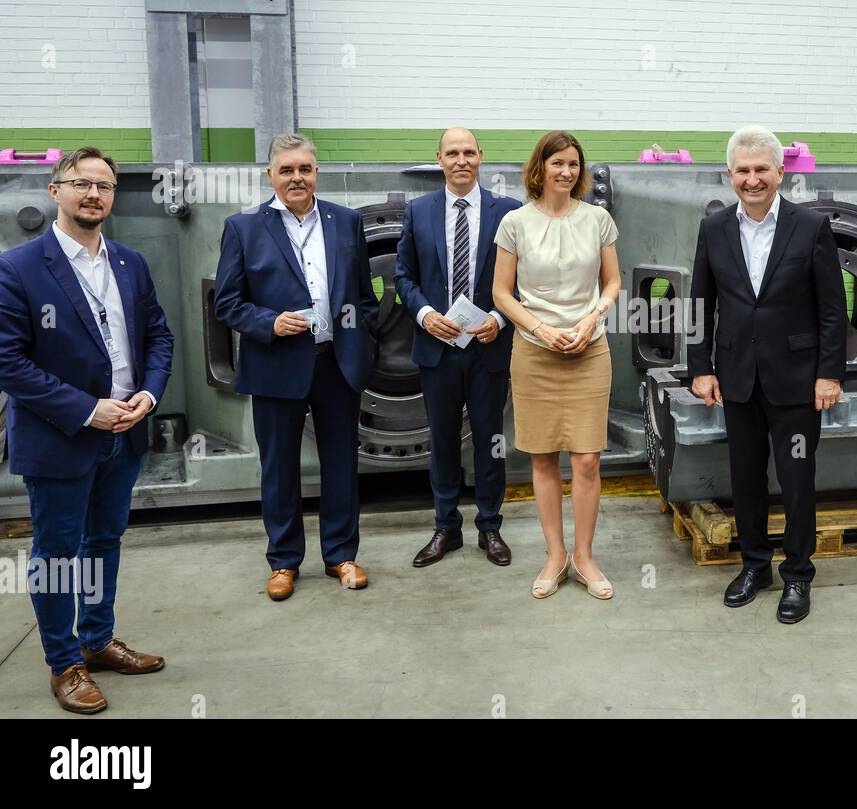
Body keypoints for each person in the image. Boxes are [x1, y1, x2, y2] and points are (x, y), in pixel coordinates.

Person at [0, 147, 173, 713]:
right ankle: (65, 662)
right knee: (56, 553)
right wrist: (86, 409)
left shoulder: (129, 263)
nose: (93, 194)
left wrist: (148, 392)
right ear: (56, 191)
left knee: (104, 542)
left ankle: (97, 640)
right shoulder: (19, 266)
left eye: (104, 185)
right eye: (80, 184)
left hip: (125, 430)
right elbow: (9, 361)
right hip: (61, 435)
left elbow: (158, 336)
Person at [686, 125, 847, 625]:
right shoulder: (713, 228)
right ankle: (755, 565)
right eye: (743, 170)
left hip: (797, 380)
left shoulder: (809, 227)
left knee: (797, 479)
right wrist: (700, 368)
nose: (752, 179)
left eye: (761, 170)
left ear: (780, 173)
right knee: (746, 477)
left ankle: (797, 574)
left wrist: (828, 374)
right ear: (729, 174)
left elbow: (831, 308)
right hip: (736, 377)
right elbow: (699, 303)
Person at [214, 133, 379, 601]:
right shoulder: (243, 228)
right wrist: (270, 322)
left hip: (336, 363)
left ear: (316, 173)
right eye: (286, 170)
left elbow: (366, 297)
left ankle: (341, 555)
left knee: (342, 465)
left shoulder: (346, 222)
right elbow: (227, 303)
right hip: (275, 365)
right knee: (280, 469)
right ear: (270, 175)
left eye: (304, 169)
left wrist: (361, 342)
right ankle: (284, 561)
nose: (296, 178)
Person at [491, 131, 621, 600]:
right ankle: (554, 555)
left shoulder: (598, 220)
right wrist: (540, 330)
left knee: (586, 459)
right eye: (557, 163)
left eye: (573, 164)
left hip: (590, 348)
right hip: (535, 352)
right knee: (543, 456)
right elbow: (501, 293)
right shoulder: (515, 223)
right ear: (540, 168)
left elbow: (612, 283)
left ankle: (584, 557)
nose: (566, 172)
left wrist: (591, 320)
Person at [395, 128, 521, 568]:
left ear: (481, 157)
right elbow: (403, 278)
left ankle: (490, 527)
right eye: (453, 153)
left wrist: (500, 319)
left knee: (490, 441)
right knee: (443, 440)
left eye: (469, 152)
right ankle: (446, 527)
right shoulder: (419, 212)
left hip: (488, 345)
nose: (461, 160)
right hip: (438, 347)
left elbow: (522, 280)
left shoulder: (509, 212)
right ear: (440, 159)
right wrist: (426, 315)